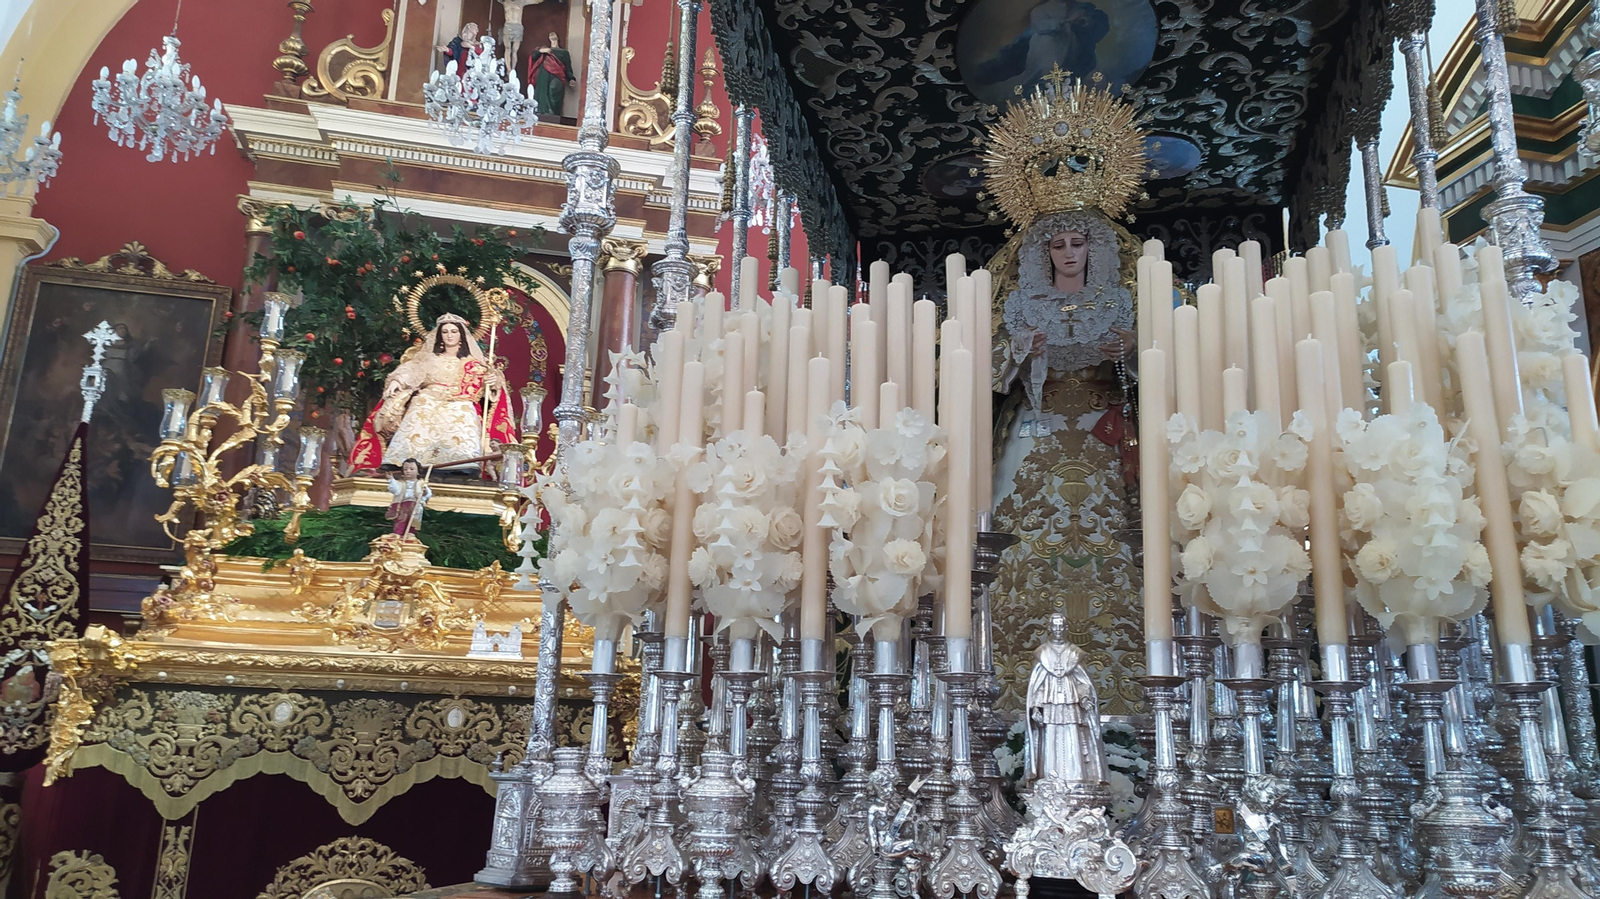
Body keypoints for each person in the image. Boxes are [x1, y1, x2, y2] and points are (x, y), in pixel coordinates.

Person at [989, 207, 1144, 717]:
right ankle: (1014, 681)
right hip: (1039, 428)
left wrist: (1132, 350)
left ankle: (1122, 687)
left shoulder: (1118, 303)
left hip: (1104, 438)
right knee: (1024, 542)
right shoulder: (1023, 305)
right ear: (1044, 254)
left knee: (1114, 540)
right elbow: (988, 373)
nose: (1070, 252)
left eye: (1079, 242)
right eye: (1059, 245)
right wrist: (1019, 349)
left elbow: (1161, 367)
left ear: (1093, 249)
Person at [348, 313, 517, 473]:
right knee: (419, 407)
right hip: (428, 399)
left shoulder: (475, 364)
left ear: (461, 335)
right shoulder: (429, 359)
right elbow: (410, 372)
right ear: (439, 335)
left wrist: (493, 384)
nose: (449, 335)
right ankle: (402, 459)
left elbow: (488, 392)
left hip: (459, 402)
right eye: (445, 332)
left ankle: (461, 461)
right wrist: (396, 382)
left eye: (453, 331)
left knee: (464, 412)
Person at [1024, 612, 1107, 785]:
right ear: (1049, 628)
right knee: (1050, 736)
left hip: (1071, 702)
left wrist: (1085, 698)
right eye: (1055, 626)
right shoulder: (1042, 653)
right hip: (1050, 703)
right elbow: (1037, 684)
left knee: (1072, 736)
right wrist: (1036, 707)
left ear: (1066, 628)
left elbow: (1082, 681)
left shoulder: (1075, 653)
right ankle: (1050, 779)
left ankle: (1075, 777)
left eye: (1061, 626)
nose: (1058, 629)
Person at [527, 32, 572, 117]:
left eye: (554, 34)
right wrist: (541, 51)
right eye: (550, 35)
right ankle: (541, 112)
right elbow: (533, 56)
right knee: (542, 93)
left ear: (558, 37)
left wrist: (571, 78)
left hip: (557, 75)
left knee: (554, 89)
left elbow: (568, 67)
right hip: (543, 75)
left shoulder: (564, 52)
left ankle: (553, 112)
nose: (552, 35)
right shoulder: (543, 50)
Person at [386, 459, 433, 537]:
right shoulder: (401, 483)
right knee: (401, 519)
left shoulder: (421, 483)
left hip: (415, 505)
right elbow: (395, 490)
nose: (408, 471)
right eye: (405, 469)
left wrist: (425, 493)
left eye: (411, 469)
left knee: (413, 520)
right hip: (403, 504)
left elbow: (428, 494)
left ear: (418, 471)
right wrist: (391, 480)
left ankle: (411, 533)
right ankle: (397, 533)